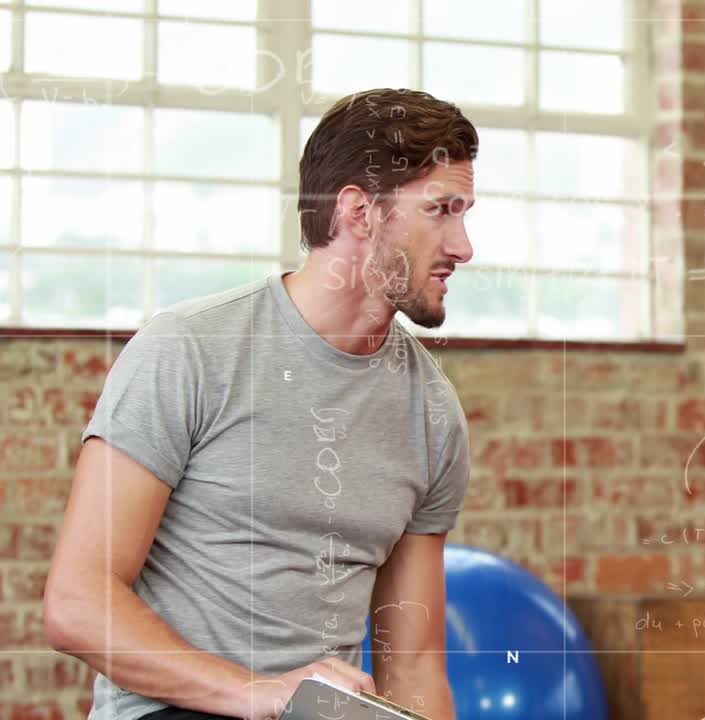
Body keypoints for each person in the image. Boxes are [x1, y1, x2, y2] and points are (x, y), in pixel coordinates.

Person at [43, 88, 477, 720]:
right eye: (442, 210)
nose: (463, 246)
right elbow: (77, 603)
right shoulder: (191, 349)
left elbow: (410, 667)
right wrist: (259, 692)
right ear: (359, 211)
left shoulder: (433, 413)